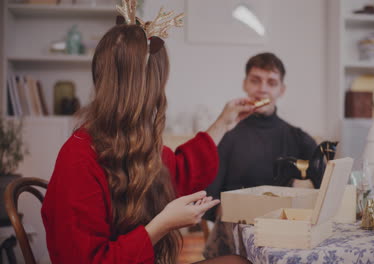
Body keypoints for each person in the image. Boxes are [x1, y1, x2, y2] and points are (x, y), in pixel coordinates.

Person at [41, 6, 254, 264]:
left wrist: (223, 122)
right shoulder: (78, 159)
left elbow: (179, 172)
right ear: (147, 87)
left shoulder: (134, 143)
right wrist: (160, 226)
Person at [203, 52, 319, 258]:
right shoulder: (226, 134)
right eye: (255, 80)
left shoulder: (297, 137)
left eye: (271, 82)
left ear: (281, 90)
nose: (262, 89)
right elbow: (209, 197)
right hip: (233, 239)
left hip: (284, 236)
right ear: (245, 84)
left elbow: (326, 181)